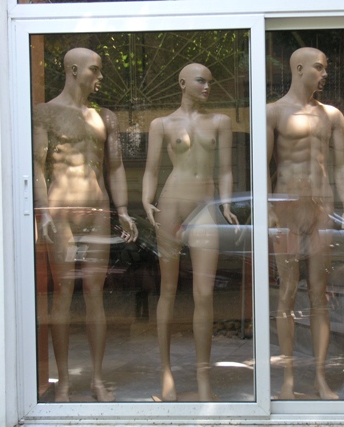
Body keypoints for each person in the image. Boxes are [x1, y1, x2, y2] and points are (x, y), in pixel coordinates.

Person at [32, 47, 139, 402]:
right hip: (61, 212)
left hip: (98, 211)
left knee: (95, 293)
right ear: (74, 70)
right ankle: (63, 382)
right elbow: (37, 167)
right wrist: (44, 213)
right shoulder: (45, 113)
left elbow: (115, 167)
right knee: (63, 292)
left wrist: (123, 209)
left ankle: (96, 379)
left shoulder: (104, 117)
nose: (100, 76)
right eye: (95, 69)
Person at [142, 63, 238, 402]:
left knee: (204, 293)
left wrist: (227, 204)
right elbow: (152, 170)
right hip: (171, 204)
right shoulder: (161, 124)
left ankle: (203, 378)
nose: (207, 87)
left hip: (205, 207)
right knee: (167, 290)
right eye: (201, 81)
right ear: (182, 83)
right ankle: (166, 375)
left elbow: (225, 170)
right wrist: (146, 199)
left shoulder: (221, 122)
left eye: (210, 82)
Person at [267, 47, 344, 400]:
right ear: (299, 68)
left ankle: (320, 378)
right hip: (286, 208)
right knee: (287, 291)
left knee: (320, 293)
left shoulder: (332, 116)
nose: (324, 73)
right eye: (319, 67)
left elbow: (343, 164)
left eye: (326, 67)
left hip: (321, 209)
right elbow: (262, 166)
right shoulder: (273, 112)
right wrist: (268, 209)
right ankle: (288, 379)